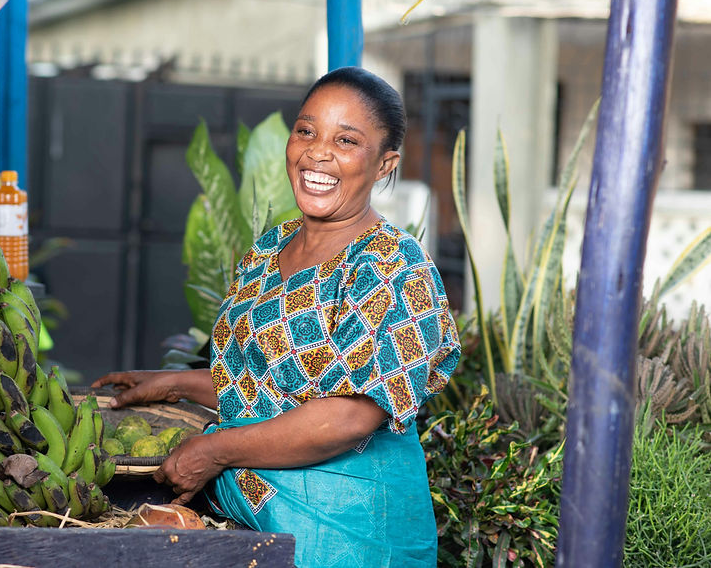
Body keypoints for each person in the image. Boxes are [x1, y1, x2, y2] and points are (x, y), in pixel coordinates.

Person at [93, 67, 461, 568]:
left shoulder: (393, 267)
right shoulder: (270, 249)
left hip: (350, 541)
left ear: (383, 164)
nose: (318, 152)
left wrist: (215, 450)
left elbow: (351, 414)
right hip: (256, 524)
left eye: (347, 140)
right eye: (306, 131)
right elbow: (270, 387)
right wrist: (176, 383)